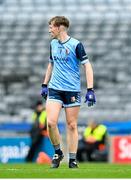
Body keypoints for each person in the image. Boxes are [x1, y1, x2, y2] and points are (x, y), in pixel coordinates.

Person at [41, 16, 96, 168]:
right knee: (51, 122)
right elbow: (51, 64)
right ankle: (58, 152)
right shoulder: (52, 44)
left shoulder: (76, 44)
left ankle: (72, 159)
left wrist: (90, 89)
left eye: (51, 26)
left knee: (71, 125)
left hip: (71, 89)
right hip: (55, 88)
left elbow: (88, 66)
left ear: (60, 27)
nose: (49, 30)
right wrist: (45, 84)